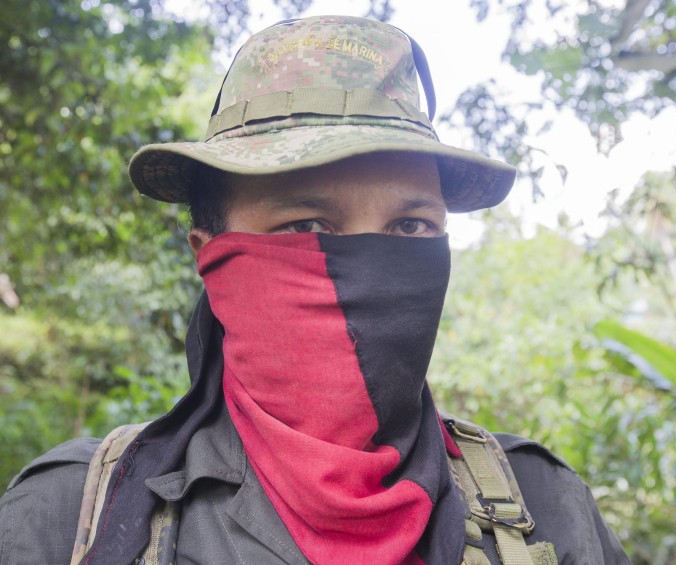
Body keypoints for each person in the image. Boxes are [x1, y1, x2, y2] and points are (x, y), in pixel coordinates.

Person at [0, 15, 630, 565]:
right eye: (306, 226)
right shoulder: (70, 515)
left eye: (411, 226)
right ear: (209, 255)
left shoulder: (543, 505)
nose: (368, 262)